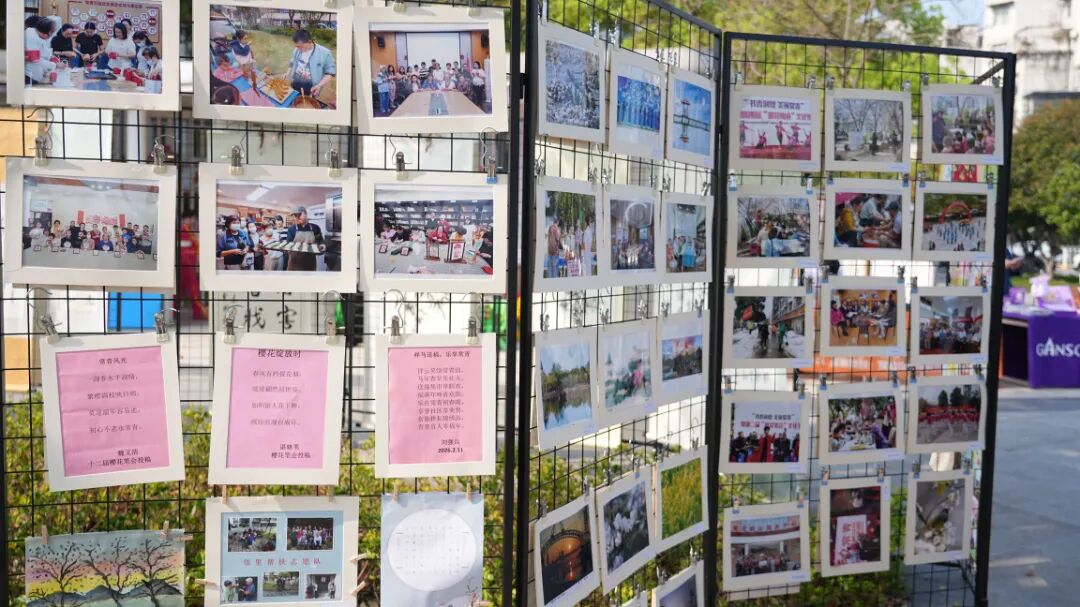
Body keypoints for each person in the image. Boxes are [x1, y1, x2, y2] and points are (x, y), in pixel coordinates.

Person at [288, 29, 336, 98]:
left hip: (312, 87)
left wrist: (319, 86)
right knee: (294, 99)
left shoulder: (325, 53)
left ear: (310, 42)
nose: (298, 49)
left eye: (301, 46)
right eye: (297, 46)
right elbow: (293, 61)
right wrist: (288, 72)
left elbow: (330, 73)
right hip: (295, 82)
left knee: (308, 102)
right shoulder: (297, 50)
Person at [285, 206, 325, 271]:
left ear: (306, 213)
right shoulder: (291, 229)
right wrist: (287, 249)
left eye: (299, 215)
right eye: (295, 215)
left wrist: (322, 246)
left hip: (310, 262)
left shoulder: (315, 228)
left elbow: (320, 241)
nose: (296, 217)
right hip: (294, 262)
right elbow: (288, 245)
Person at [25, 18, 58, 84]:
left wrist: (51, 57)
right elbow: (34, 59)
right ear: (44, 33)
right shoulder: (31, 37)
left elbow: (44, 52)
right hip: (29, 76)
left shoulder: (39, 35)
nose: (51, 36)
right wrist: (55, 65)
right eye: (51, 33)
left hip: (37, 74)